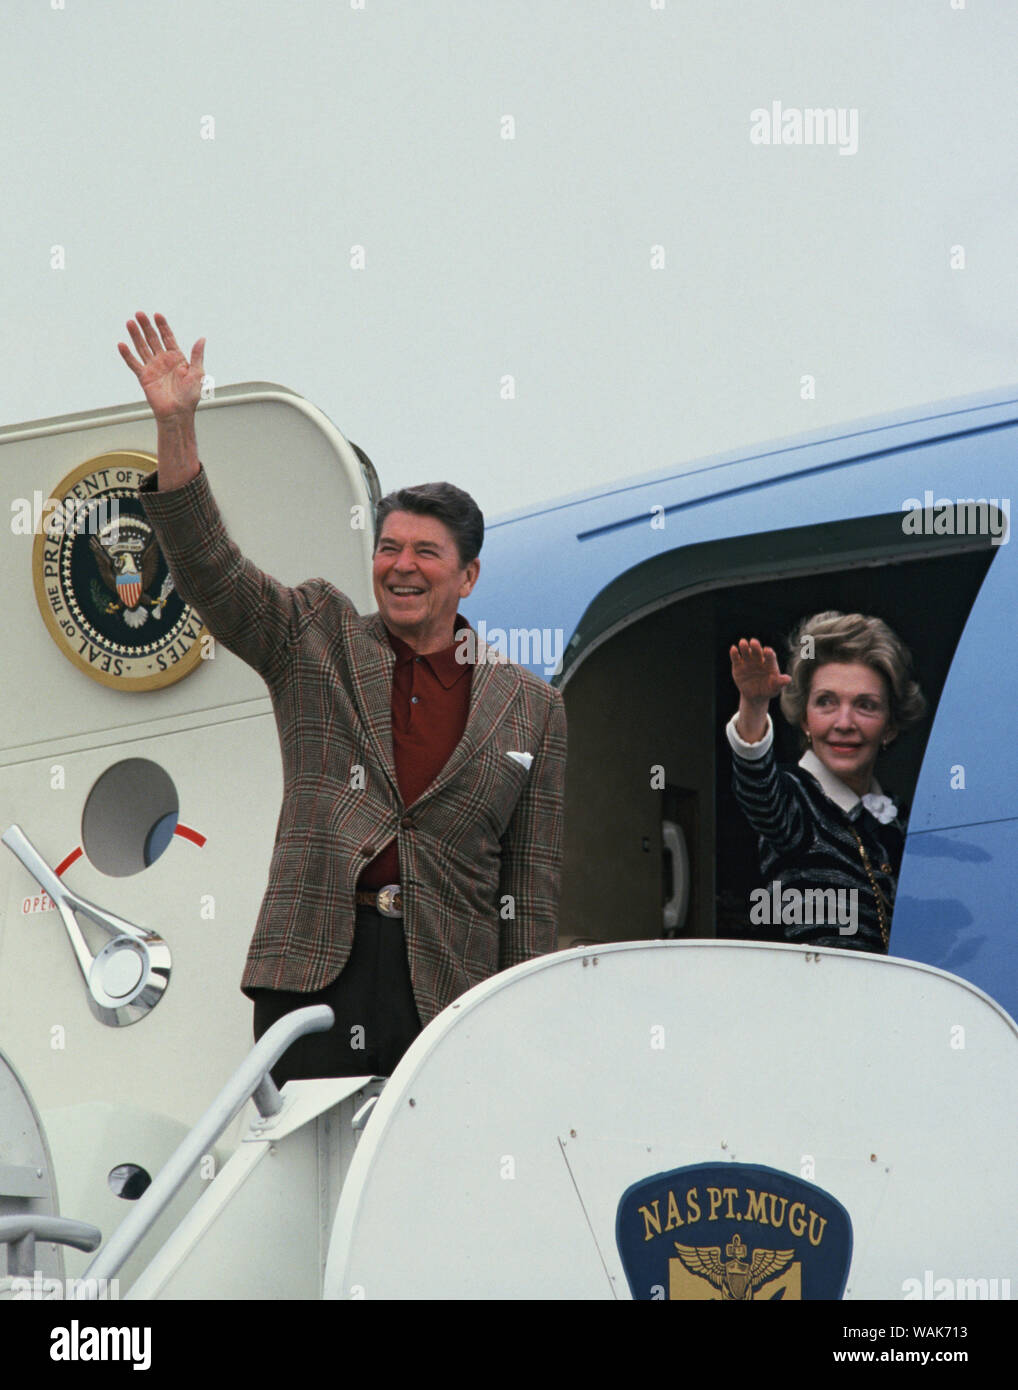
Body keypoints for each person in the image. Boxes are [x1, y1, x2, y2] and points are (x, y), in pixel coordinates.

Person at [118, 311, 566, 1081]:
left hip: (451, 1002)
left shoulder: (532, 706)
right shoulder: (314, 634)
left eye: (427, 552)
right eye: (389, 547)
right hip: (314, 974)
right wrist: (177, 429)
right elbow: (213, 572)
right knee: (308, 1184)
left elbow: (528, 892)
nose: (402, 565)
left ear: (468, 577)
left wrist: (518, 1032)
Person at [726, 612, 926, 953]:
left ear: (890, 727)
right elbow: (759, 791)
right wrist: (755, 705)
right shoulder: (795, 799)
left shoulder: (900, 817)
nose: (843, 723)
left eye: (865, 705)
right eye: (826, 702)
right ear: (805, 718)